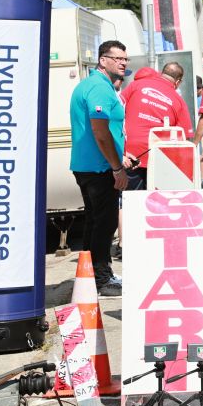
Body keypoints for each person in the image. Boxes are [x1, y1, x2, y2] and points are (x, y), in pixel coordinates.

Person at [69, 40, 130, 296]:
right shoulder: (99, 88)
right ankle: (102, 279)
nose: (123, 63)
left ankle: (89, 275)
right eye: (118, 58)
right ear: (103, 60)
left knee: (95, 221)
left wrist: (121, 156)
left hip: (91, 165)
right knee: (104, 224)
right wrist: (116, 167)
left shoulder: (92, 85)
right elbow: (100, 131)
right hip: (98, 168)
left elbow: (106, 134)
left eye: (125, 59)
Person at [121, 63, 194, 190]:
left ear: (161, 73)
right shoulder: (179, 101)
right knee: (156, 200)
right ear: (178, 82)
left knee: (131, 198)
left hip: (130, 154)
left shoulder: (136, 85)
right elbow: (184, 138)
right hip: (160, 158)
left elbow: (117, 110)